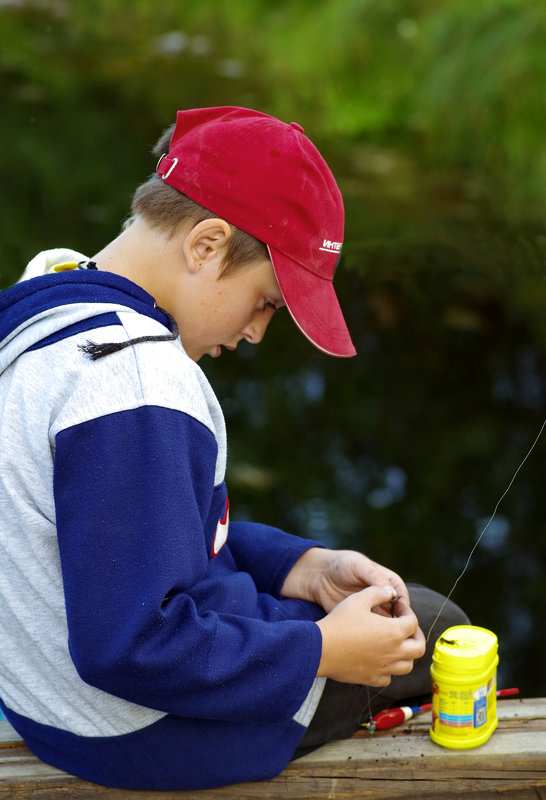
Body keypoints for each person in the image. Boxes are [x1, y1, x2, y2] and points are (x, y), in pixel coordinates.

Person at [0, 106, 467, 791]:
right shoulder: (135, 380)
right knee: (428, 623)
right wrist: (320, 650)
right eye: (267, 303)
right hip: (140, 732)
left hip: (36, 695)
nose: (256, 334)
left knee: (371, 610)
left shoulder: (44, 305)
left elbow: (110, 539)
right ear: (206, 245)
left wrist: (301, 567)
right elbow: (132, 646)